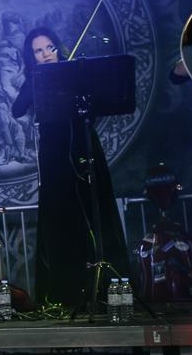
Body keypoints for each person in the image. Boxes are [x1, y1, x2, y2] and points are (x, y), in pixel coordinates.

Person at [11, 27, 130, 306]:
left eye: (49, 47)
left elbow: (101, 103)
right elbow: (17, 109)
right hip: (55, 157)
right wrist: (35, 79)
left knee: (95, 209)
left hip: (85, 148)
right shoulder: (36, 79)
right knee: (63, 217)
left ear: (57, 47)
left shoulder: (76, 73)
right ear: (32, 56)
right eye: (38, 51)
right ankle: (68, 292)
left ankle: (108, 288)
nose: (46, 54)